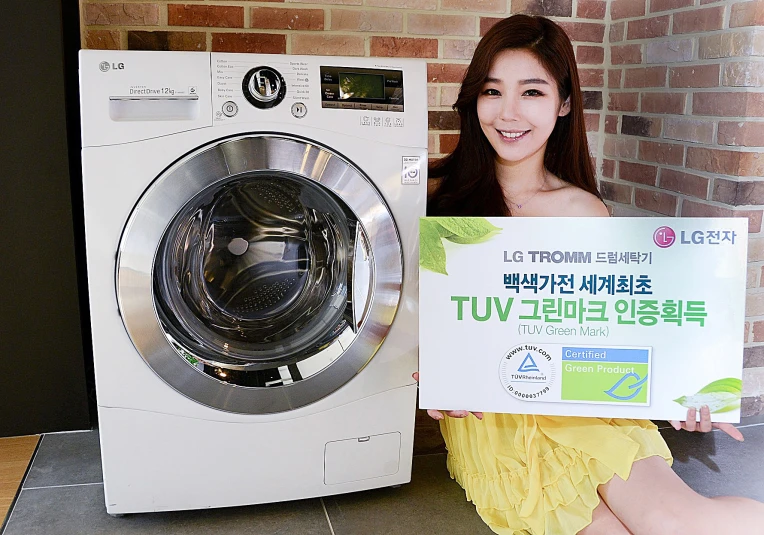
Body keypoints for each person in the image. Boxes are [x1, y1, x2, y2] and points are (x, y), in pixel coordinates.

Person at [416, 14, 764, 535]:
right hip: (500, 427)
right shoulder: (438, 207)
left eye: (531, 92)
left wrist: (684, 388)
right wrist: (433, 377)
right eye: (493, 91)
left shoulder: (582, 211)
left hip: (586, 409)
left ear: (563, 105)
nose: (508, 113)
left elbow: (610, 324)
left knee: (681, 523)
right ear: (474, 100)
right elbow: (410, 332)